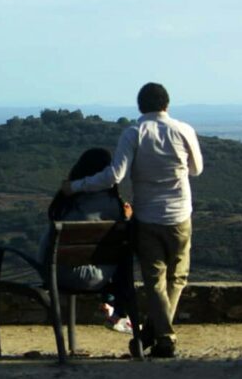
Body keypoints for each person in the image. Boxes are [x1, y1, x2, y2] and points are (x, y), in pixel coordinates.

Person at [61, 83, 203, 358]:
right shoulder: (184, 130)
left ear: (140, 106)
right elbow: (196, 169)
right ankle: (159, 334)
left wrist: (76, 186)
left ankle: (160, 334)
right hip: (181, 214)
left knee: (155, 279)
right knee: (179, 276)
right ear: (167, 104)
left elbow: (114, 175)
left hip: (148, 216)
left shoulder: (134, 133)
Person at [38, 147, 133, 332]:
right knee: (123, 252)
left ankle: (115, 307)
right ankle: (118, 309)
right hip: (100, 278)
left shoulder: (67, 200)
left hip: (58, 274)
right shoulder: (115, 206)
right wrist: (127, 219)